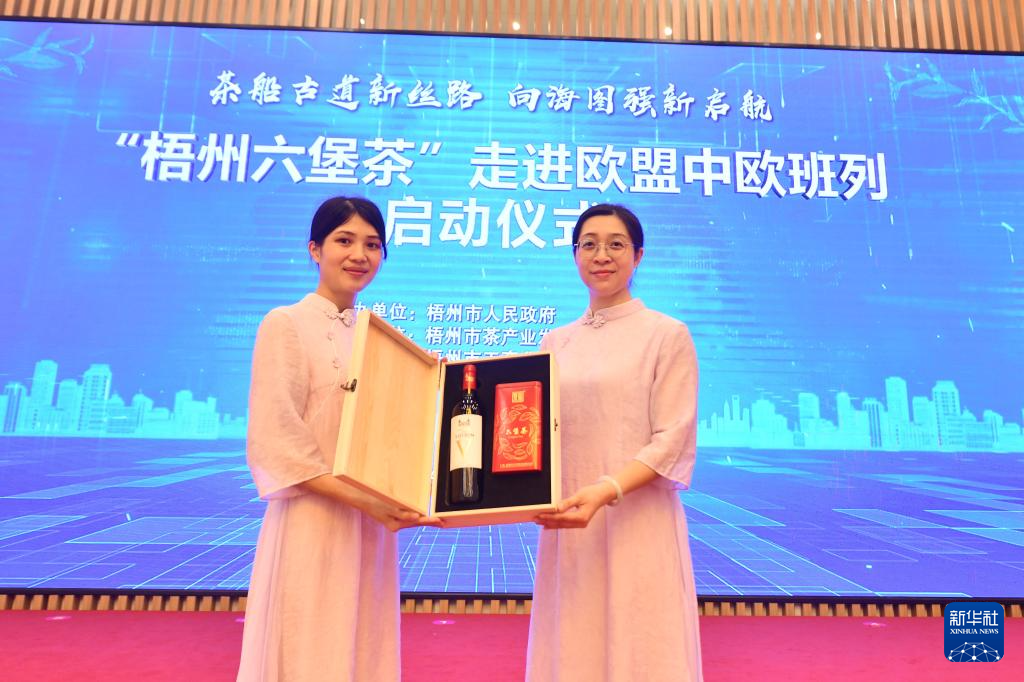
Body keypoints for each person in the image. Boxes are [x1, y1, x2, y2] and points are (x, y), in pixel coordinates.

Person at [237, 196, 438, 682]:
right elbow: (276, 441)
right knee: (311, 646)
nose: (359, 255)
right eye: (344, 240)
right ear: (315, 249)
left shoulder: (378, 338)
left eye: (373, 244)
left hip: (371, 523)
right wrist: (364, 500)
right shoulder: (285, 323)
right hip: (314, 518)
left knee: (363, 646)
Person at [527, 204, 703, 681]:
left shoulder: (666, 334)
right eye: (589, 245)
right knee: (574, 643)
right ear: (575, 255)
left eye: (616, 244)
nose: (601, 255)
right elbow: (531, 431)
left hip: (637, 519)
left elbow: (672, 439)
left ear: (638, 255)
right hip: (571, 518)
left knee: (642, 645)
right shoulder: (555, 342)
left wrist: (607, 489)